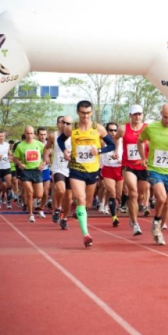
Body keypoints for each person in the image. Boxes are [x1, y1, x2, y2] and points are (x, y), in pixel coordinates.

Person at [57, 100, 116, 248]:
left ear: (92, 112)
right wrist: (64, 150)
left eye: (88, 113)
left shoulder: (98, 128)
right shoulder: (72, 128)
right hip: (76, 169)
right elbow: (60, 140)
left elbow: (112, 145)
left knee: (88, 203)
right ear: (78, 112)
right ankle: (86, 234)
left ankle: (79, 210)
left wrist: (99, 151)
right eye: (83, 113)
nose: (85, 116)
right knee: (81, 198)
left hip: (93, 171)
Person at [137, 102, 168, 246]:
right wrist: (143, 158)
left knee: (167, 203)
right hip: (154, 169)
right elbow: (140, 141)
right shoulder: (151, 128)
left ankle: (158, 226)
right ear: (161, 114)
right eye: (165, 117)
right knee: (161, 196)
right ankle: (157, 222)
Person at [115, 104, 148, 236]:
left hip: (144, 166)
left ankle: (132, 215)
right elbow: (116, 138)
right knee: (133, 193)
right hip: (128, 166)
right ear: (130, 115)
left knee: (140, 195)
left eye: (139, 114)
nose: (137, 116)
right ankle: (135, 223)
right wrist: (116, 150)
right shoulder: (123, 129)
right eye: (135, 114)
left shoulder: (148, 129)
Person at [43, 116, 73, 230]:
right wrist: (45, 158)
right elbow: (46, 148)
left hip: (71, 168)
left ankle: (64, 219)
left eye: (68, 123)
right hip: (58, 168)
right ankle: (58, 207)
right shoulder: (53, 136)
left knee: (69, 197)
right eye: (62, 122)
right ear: (58, 124)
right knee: (61, 190)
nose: (65, 125)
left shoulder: (74, 136)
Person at [13, 126, 46, 223]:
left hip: (37, 171)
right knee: (30, 193)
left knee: (39, 194)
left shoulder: (39, 144)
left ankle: (33, 203)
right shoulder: (20, 146)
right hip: (26, 171)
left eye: (31, 133)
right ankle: (31, 214)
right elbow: (15, 158)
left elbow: (46, 156)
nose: (29, 135)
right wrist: (19, 164)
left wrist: (43, 164)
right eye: (28, 133)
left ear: (34, 134)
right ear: (24, 134)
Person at [100, 122, 124, 227]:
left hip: (119, 169)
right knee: (112, 192)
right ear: (107, 131)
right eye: (110, 130)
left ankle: (115, 208)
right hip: (108, 169)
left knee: (118, 195)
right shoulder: (102, 141)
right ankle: (114, 217)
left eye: (115, 130)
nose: (113, 132)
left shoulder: (122, 141)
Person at [0, 131, 13, 209]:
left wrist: (10, 158)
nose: (1, 138)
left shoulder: (7, 145)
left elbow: (9, 154)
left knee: (9, 183)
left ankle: (8, 201)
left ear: (5, 137)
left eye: (2, 136)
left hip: (6, 166)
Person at [36, 127, 51, 218]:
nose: (43, 136)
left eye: (44, 134)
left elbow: (50, 157)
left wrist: (47, 161)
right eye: (41, 134)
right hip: (35, 170)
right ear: (38, 135)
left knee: (45, 192)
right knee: (38, 193)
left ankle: (41, 209)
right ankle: (34, 202)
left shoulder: (49, 144)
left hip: (45, 170)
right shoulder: (34, 144)